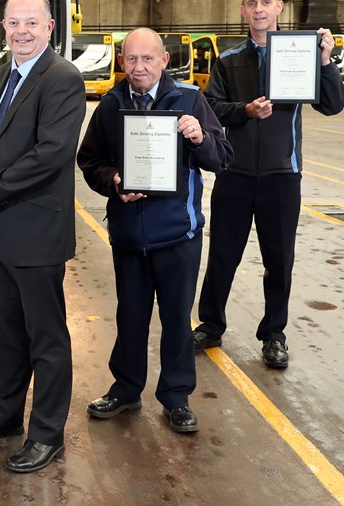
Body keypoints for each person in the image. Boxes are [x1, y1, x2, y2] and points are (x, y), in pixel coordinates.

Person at [0, 0, 85, 474]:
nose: (21, 32)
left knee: (45, 338)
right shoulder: (6, 71)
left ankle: (47, 433)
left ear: (51, 28)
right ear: (2, 28)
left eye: (32, 23)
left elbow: (49, 155)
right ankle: (5, 416)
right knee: (8, 332)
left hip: (34, 230)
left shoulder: (63, 78)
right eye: (13, 23)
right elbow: (3, 140)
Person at [76, 28, 232, 433]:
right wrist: (113, 181)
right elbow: (89, 160)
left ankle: (176, 398)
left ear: (164, 61)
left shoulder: (190, 100)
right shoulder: (111, 105)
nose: (139, 67)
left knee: (177, 318)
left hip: (178, 235)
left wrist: (200, 138)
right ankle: (126, 389)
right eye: (131, 59)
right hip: (129, 236)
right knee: (130, 316)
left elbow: (221, 157)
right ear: (122, 62)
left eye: (148, 59)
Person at [193, 0, 344, 369]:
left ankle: (274, 335)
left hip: (282, 176)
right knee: (223, 256)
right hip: (235, 174)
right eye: (251, 3)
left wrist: (325, 61)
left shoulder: (302, 55)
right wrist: (245, 110)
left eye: (266, 2)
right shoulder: (228, 61)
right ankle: (211, 324)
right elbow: (210, 108)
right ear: (243, 12)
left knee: (279, 260)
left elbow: (332, 106)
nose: (258, 9)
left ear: (279, 7)